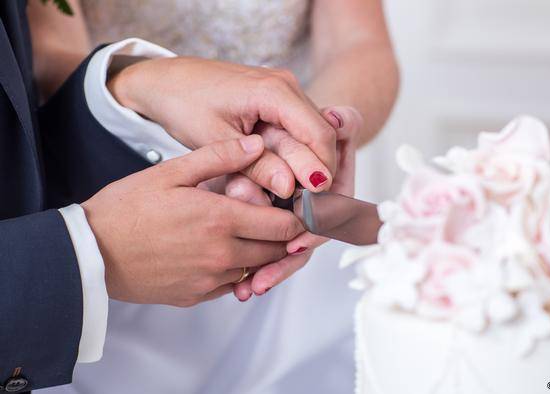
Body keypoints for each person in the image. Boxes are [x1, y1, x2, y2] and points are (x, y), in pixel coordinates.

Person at [32, 1, 399, 393]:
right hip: (124, 225)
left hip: (289, 228)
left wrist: (306, 135)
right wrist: (171, 126)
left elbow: (359, 46)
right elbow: (50, 57)